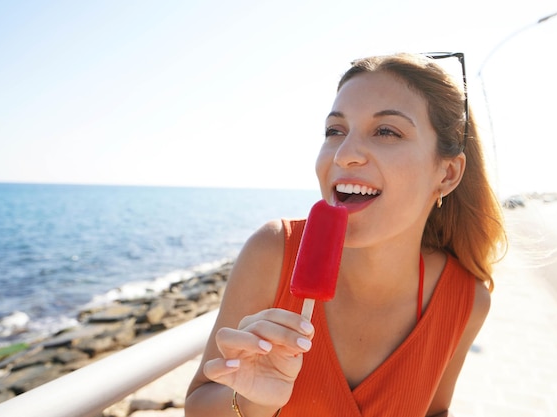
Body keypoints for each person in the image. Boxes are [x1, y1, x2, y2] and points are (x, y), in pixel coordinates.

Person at [185, 52, 506, 417]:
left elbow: (435, 411)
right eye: (335, 131)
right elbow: (198, 406)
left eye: (387, 131)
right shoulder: (275, 252)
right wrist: (253, 401)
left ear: (447, 174)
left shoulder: (466, 301)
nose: (344, 154)